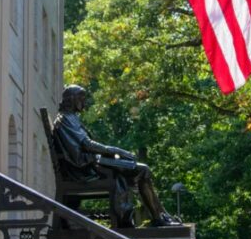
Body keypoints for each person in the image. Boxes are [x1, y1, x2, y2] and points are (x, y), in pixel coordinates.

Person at [52, 85, 181, 227]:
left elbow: (87, 145)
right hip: (84, 170)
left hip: (90, 164)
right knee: (142, 170)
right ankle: (157, 218)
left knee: (141, 169)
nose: (84, 102)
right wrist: (118, 151)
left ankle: (161, 215)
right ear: (72, 99)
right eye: (82, 97)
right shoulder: (65, 119)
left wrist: (116, 152)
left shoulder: (71, 118)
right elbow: (88, 145)